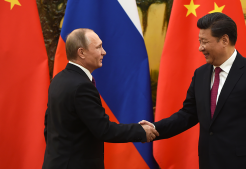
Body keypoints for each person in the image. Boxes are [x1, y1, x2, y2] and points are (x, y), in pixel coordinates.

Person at [140, 13, 246, 169]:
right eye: (200, 41)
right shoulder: (201, 74)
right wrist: (154, 128)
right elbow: (187, 115)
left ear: (224, 40)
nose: (200, 48)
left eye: (204, 42)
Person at [42, 28, 159, 169]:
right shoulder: (81, 86)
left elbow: (48, 128)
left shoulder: (58, 79)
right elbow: (104, 130)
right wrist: (141, 131)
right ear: (81, 52)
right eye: (98, 47)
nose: (104, 52)